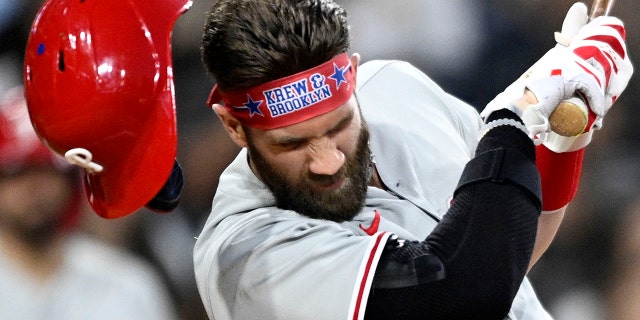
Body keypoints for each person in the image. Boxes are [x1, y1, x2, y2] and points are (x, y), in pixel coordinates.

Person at [193, 1, 632, 319]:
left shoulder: (393, 88)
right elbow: (458, 297)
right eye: (292, 144)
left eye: (338, 126)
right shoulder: (247, 253)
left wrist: (555, 138)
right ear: (234, 127)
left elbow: (508, 244)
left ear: (354, 75)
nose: (326, 161)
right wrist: (516, 116)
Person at [0, 87, 178, 320]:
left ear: (71, 181)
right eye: (17, 172)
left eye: (49, 171)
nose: (34, 187)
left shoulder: (128, 286)